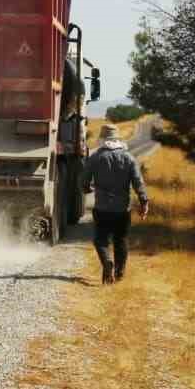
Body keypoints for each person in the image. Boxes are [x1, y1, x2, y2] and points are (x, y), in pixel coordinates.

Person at [79, 122, 149, 285]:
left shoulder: (95, 157)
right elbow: (138, 182)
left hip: (102, 207)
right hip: (122, 208)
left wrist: (88, 189)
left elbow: (84, 181)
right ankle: (119, 272)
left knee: (101, 240)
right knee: (121, 240)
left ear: (102, 139)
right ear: (118, 138)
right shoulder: (129, 157)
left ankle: (107, 263)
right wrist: (144, 201)